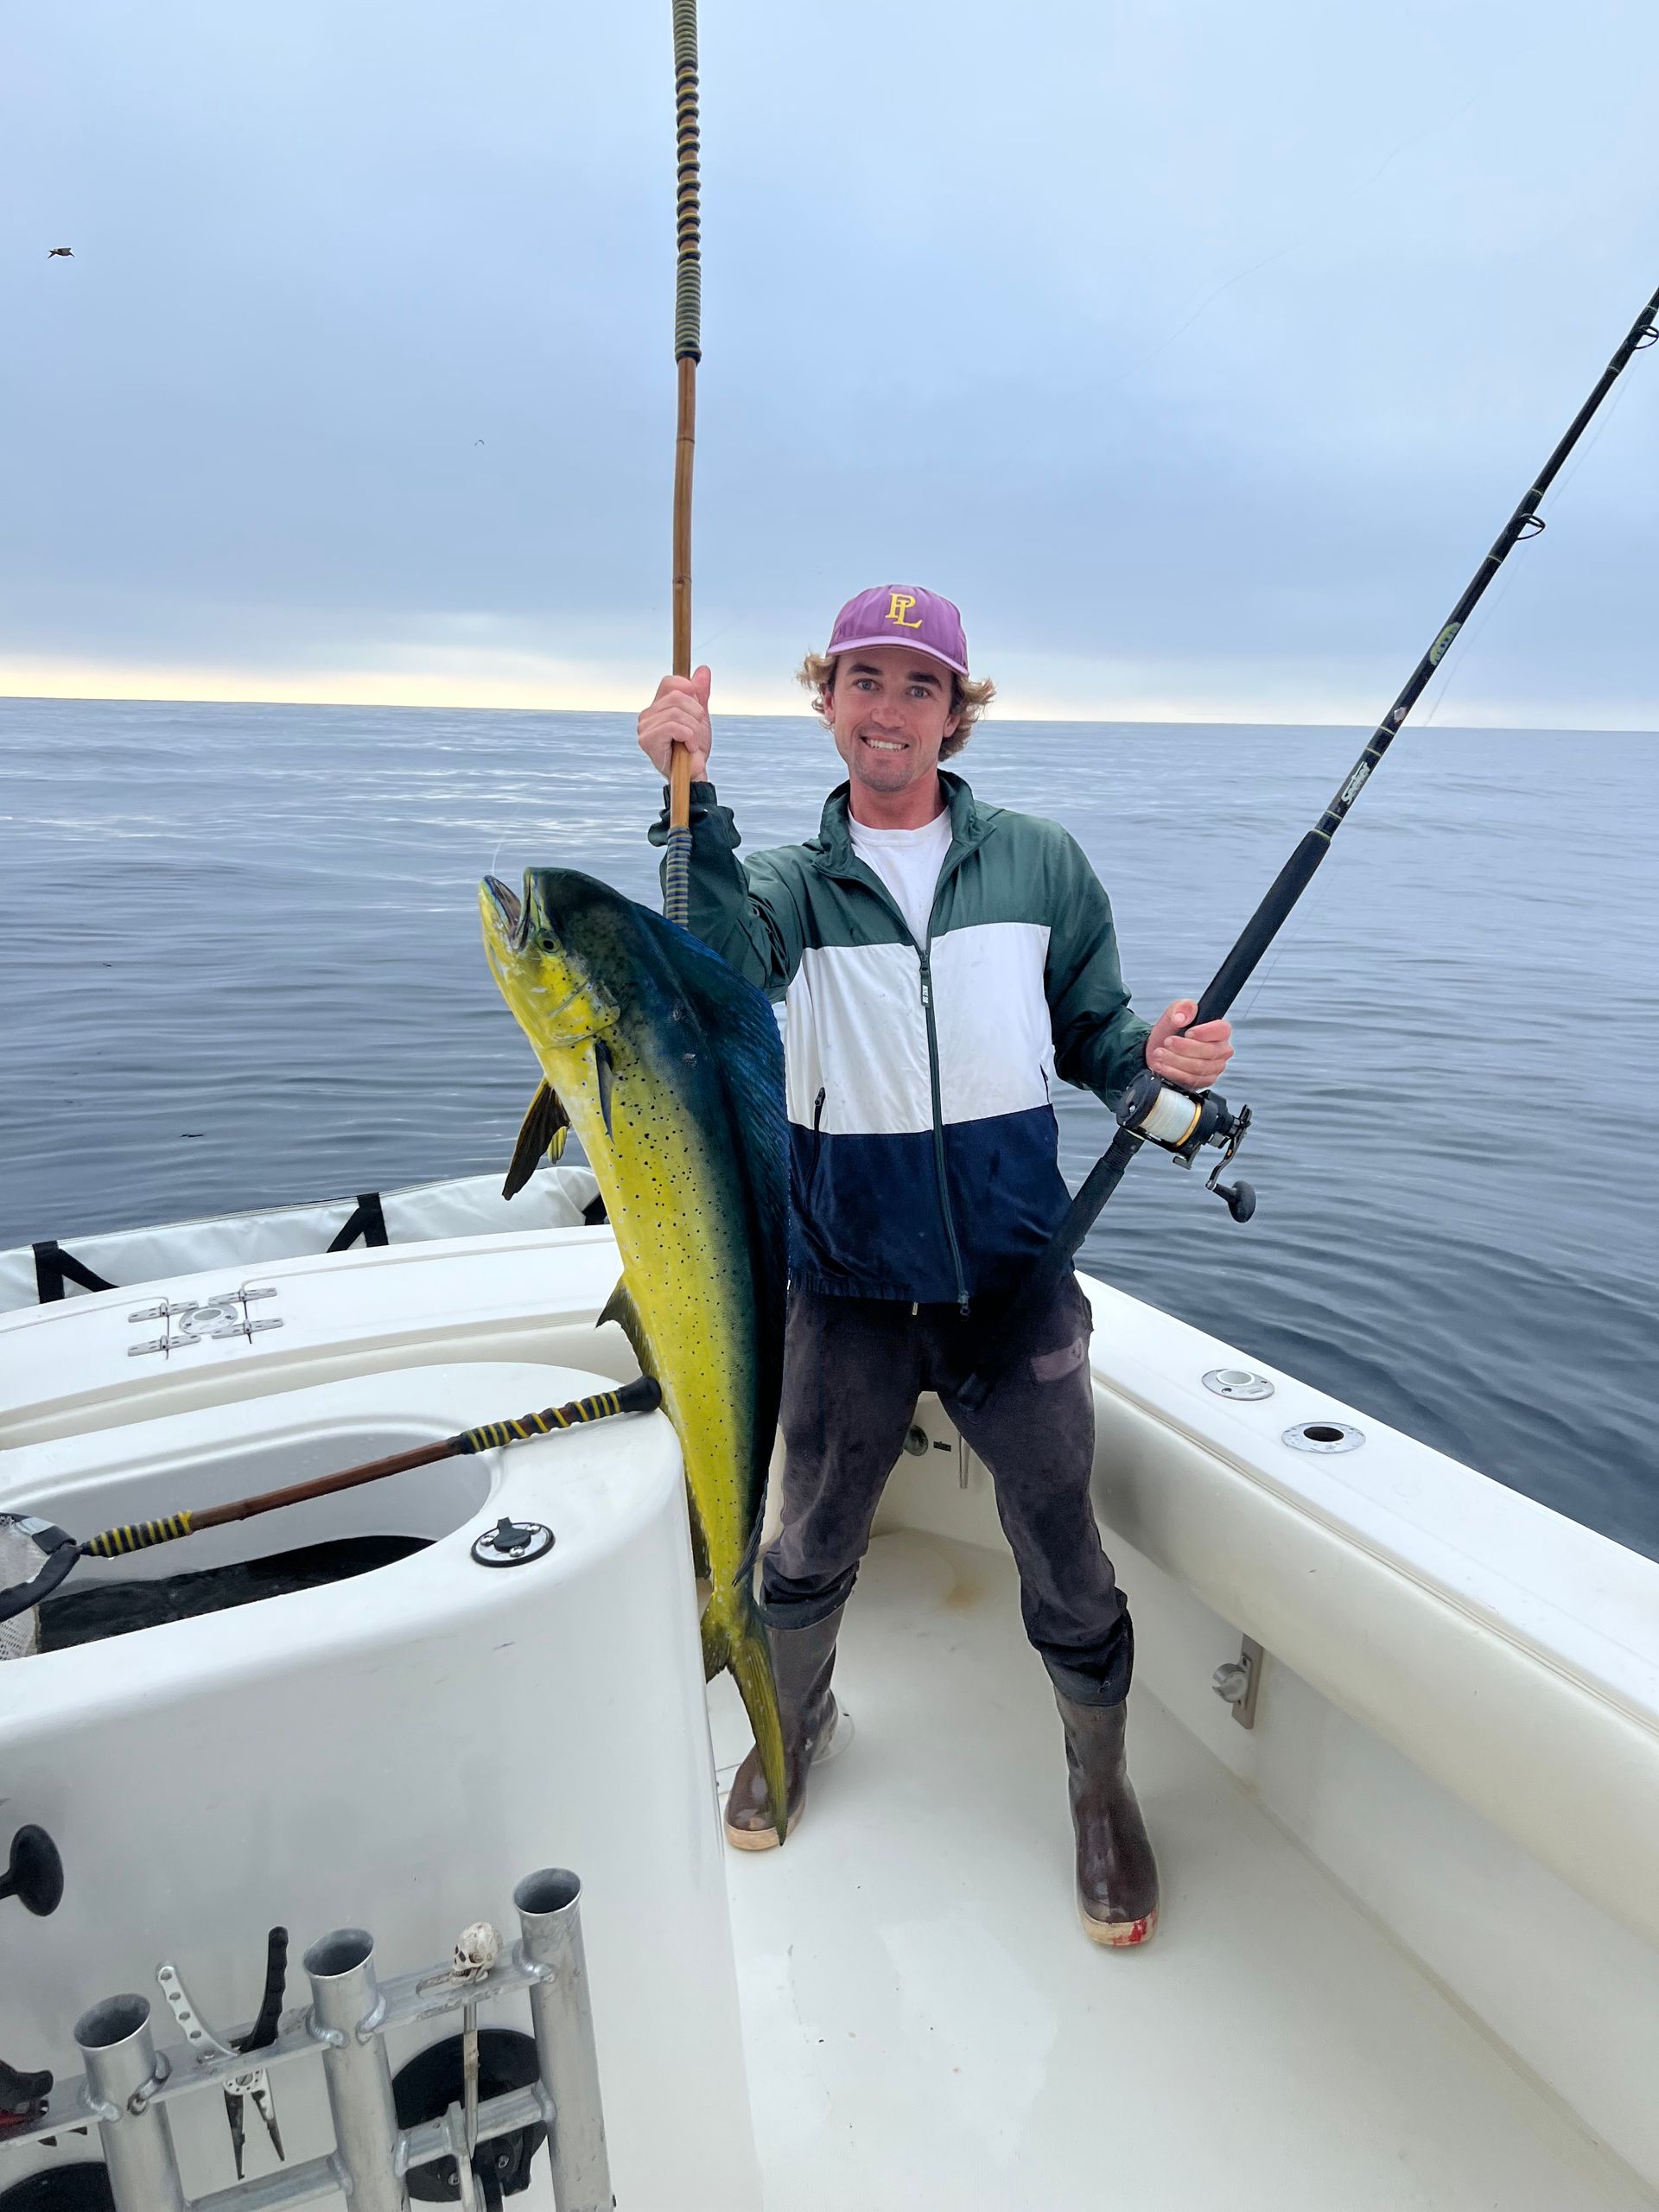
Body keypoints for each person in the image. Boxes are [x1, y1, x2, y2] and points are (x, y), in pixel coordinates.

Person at [636, 585, 1232, 1947]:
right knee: (807, 1544)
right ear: (826, 700)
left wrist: (1160, 1058)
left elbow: (1097, 1029)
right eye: (865, 680)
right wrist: (689, 804)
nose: (889, 709)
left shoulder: (1039, 864)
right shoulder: (790, 880)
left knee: (1062, 1544)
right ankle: (796, 1724)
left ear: (958, 715)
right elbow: (712, 969)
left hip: (1016, 1279)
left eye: (920, 686)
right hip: (846, 1279)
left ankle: (1099, 1797)